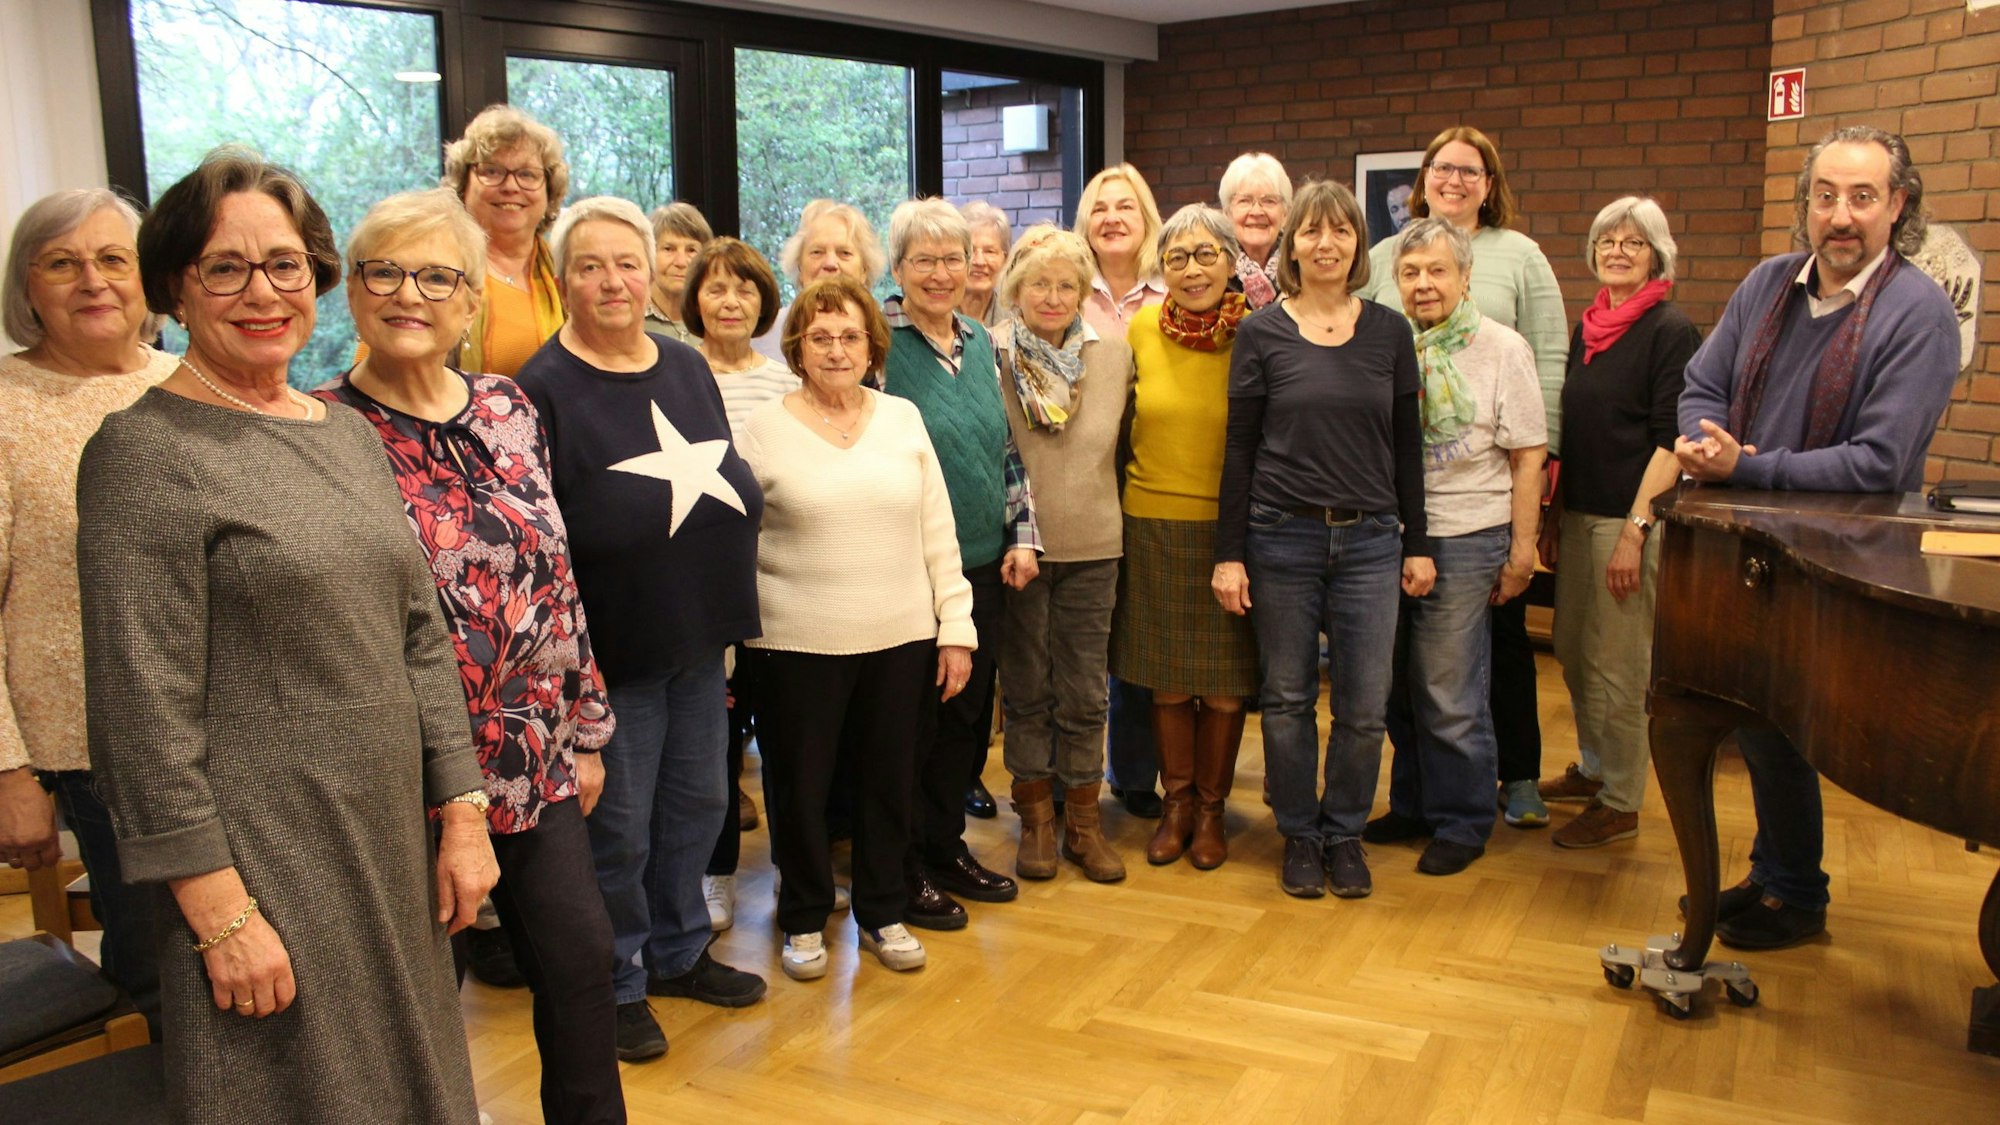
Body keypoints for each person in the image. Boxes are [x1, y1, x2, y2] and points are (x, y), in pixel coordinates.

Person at [75, 147, 497, 1123]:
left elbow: (416, 634)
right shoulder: (144, 452)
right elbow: (141, 712)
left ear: (316, 279)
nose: (261, 291)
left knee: (411, 1083)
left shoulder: (339, 432)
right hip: (264, 861)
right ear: (174, 287)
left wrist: (462, 813)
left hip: (387, 838)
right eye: (226, 267)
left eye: (285, 264)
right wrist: (220, 914)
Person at [313, 188, 625, 1121]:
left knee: (578, 959)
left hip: (535, 748)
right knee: (418, 996)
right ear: (355, 291)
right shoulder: (322, 430)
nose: (411, 293)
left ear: (468, 302)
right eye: (386, 271)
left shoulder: (508, 404)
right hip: (406, 767)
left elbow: (556, 576)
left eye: (438, 275)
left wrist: (588, 727)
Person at [1673, 125, 1958, 950]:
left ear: (1897, 206)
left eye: (1862, 197)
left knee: (1796, 726)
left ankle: (1797, 891)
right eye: (1826, 195)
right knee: (1761, 722)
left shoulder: (1919, 312)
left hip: (1841, 562)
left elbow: (1881, 461)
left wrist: (1747, 467)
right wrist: (1703, 438)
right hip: (1747, 548)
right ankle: (1782, 879)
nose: (1841, 215)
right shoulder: (1768, 283)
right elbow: (1703, 384)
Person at [516, 196, 767, 1061]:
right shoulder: (539, 389)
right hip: (608, 658)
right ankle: (617, 982)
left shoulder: (688, 366)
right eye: (589, 265)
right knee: (615, 830)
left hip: (699, 639)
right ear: (563, 279)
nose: (613, 280)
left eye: (627, 261)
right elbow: (540, 544)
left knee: (695, 807)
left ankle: (678, 949)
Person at [737, 273, 975, 979]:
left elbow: (938, 526)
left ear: (873, 345)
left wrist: (955, 624)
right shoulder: (763, 427)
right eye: (820, 337)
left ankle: (883, 909)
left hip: (900, 636)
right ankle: (805, 918)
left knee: (888, 781)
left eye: (850, 336)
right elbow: (738, 541)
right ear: (798, 347)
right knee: (799, 786)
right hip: (792, 641)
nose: (836, 349)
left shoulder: (902, 417)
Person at [1214, 180, 1431, 901]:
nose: (1326, 243)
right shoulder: (1262, 331)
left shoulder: (1390, 332)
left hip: (1371, 541)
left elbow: (1408, 447)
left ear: (1357, 245)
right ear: (1291, 246)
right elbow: (1239, 449)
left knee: (1365, 703)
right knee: (1286, 696)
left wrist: (1419, 542)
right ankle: (1299, 833)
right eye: (1311, 231)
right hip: (1281, 538)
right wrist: (1230, 550)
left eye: (1340, 231)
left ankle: (1345, 832)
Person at [0, 189, 177, 1034]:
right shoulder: (4, 405)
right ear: (26, 286)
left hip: (219, 717)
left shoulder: (188, 383)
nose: (93, 281)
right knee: (162, 968)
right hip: (88, 742)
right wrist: (9, 772)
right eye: (63, 262)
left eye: (114, 259)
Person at [1357, 126, 1567, 832]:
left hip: (1468, 535)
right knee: (1400, 694)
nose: (1422, 283)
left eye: (1437, 272)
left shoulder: (1500, 348)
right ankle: (1415, 807)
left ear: (1465, 277)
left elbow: (1529, 452)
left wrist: (1522, 549)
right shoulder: (1386, 346)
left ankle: (1463, 819)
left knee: (1450, 690)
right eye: (1411, 273)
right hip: (1389, 534)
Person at [879, 197, 1036, 926]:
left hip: (983, 568)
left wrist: (1021, 534)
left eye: (954, 258)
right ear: (898, 267)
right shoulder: (879, 343)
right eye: (924, 260)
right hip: (909, 571)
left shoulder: (980, 339)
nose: (942, 273)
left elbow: (1004, 448)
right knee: (917, 725)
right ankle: (903, 867)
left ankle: (945, 848)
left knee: (970, 721)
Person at [1536, 197, 1700, 850]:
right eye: (1608, 240)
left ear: (1657, 254)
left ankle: (1622, 799)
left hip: (1628, 522)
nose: (1619, 251)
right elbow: (1578, 430)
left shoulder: (1670, 330)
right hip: (1578, 514)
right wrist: (1553, 511)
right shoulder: (1591, 328)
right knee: (1574, 654)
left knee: (1619, 667)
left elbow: (1672, 440)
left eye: (1634, 242)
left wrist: (1636, 529)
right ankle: (1595, 767)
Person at [1110, 205, 1260, 873]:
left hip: (1234, 527)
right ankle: (1175, 806)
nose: (1193, 268)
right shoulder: (1141, 326)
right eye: (1177, 257)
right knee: (1168, 684)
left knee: (1226, 684)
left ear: (1232, 261)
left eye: (1207, 254)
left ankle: (1211, 810)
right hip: (1152, 520)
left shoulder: (1259, 331)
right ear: (1160, 268)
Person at [991, 225, 1135, 881]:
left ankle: (1083, 818)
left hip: (1095, 544)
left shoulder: (1114, 356)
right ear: (1015, 288)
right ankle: (1037, 821)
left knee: (1084, 691)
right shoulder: (986, 355)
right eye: (1038, 283)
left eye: (1066, 284)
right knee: (1026, 689)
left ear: (1084, 290)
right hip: (1017, 549)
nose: (1051, 296)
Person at [678, 235, 797, 933]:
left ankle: (794, 870)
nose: (731, 301)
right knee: (715, 748)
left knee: (786, 743)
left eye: (746, 288)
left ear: (764, 301)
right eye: (717, 288)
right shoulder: (675, 373)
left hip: (777, 586)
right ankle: (713, 874)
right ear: (695, 300)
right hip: (705, 594)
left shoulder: (786, 380)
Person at [1077, 163, 1168, 819]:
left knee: (1136, 630)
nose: (1111, 217)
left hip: (1149, 479)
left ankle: (1135, 773)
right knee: (1082, 637)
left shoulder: (1171, 295)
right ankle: (1071, 777)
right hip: (1077, 481)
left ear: (1146, 220)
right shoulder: (1063, 289)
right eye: (1100, 207)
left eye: (1125, 207)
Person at [442, 104, 571, 377]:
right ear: (464, 185)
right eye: (491, 171)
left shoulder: (569, 272)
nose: (511, 186)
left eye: (527, 174)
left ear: (549, 191)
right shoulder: (432, 272)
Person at [757, 200, 888, 361]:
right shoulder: (763, 335)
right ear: (799, 266)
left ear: (864, 270)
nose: (830, 264)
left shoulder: (882, 336)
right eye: (817, 252)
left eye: (844, 253)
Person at [1219, 152, 1292, 310]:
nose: (1257, 211)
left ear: (1285, 214)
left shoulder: (1300, 269)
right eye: (1244, 201)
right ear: (1227, 213)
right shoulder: (1215, 270)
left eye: (1269, 201)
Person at [645, 201, 712, 345]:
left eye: (691, 250)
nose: (681, 262)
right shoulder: (630, 319)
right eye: (668, 249)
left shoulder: (714, 319)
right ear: (649, 254)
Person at [958, 200, 1013, 329]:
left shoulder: (1016, 314)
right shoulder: (937, 313)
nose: (979, 261)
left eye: (990, 251)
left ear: (1005, 259)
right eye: (970, 251)